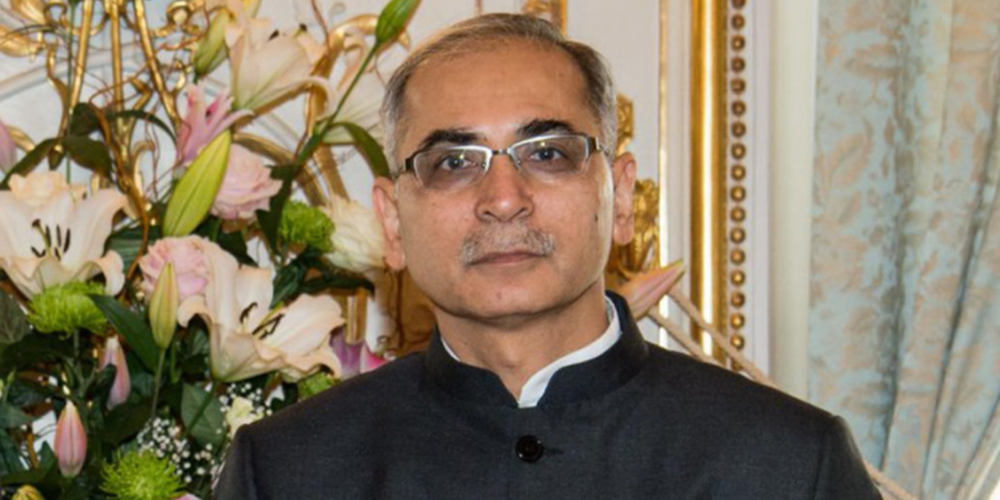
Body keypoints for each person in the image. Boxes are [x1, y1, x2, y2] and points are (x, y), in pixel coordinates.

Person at [214, 13, 881, 499]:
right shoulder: (288, 471)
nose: (504, 200)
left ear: (621, 198)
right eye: (453, 162)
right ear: (391, 221)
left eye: (548, 154)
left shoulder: (788, 466)